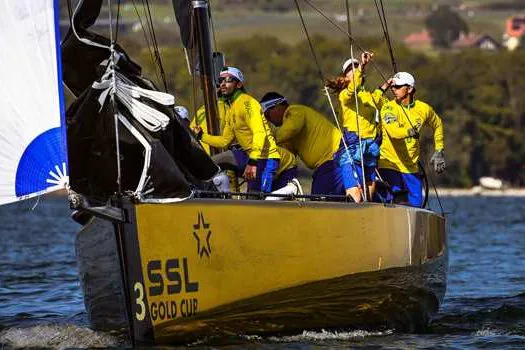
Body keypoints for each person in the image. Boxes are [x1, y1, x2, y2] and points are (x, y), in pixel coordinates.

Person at [194, 66, 295, 193]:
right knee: (251, 199)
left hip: (265, 158)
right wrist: (201, 136)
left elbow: (260, 132)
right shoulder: (232, 109)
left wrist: (252, 162)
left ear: (239, 84)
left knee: (257, 200)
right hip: (251, 157)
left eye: (229, 80)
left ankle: (292, 189)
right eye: (221, 81)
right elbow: (225, 141)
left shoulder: (247, 103)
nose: (223, 84)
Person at [326, 52, 391, 203]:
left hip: (371, 146)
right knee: (355, 192)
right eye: (351, 69)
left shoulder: (366, 94)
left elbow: (377, 96)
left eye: (356, 66)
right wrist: (363, 66)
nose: (354, 69)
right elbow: (353, 89)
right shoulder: (345, 95)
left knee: (369, 188)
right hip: (352, 145)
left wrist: (388, 85)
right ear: (345, 76)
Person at [377, 71, 445, 207]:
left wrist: (439, 150)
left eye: (398, 87)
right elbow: (393, 132)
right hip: (389, 164)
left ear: (409, 89)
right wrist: (409, 131)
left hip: (411, 167)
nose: (393, 90)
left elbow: (437, 124)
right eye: (392, 87)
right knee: (397, 202)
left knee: (416, 207)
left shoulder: (424, 109)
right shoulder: (388, 108)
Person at [260, 92, 345, 196]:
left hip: (335, 159)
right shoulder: (286, 133)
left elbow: (292, 128)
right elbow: (287, 157)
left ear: (276, 107)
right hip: (326, 165)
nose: (268, 120)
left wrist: (267, 140)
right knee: (322, 198)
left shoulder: (294, 111)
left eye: (267, 115)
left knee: (319, 200)